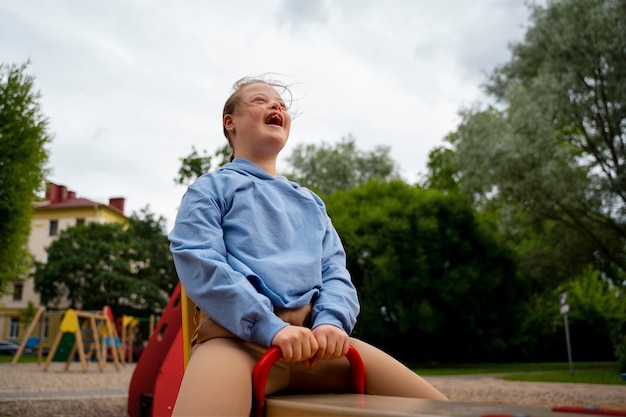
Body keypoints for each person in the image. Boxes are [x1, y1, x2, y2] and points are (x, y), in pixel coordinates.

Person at [169, 76, 448, 416]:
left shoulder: (311, 203)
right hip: (237, 345)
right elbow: (200, 262)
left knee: (443, 409)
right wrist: (271, 328)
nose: (276, 107)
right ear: (230, 122)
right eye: (260, 100)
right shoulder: (210, 189)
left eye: (282, 105)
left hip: (319, 348)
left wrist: (331, 322)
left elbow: (335, 273)